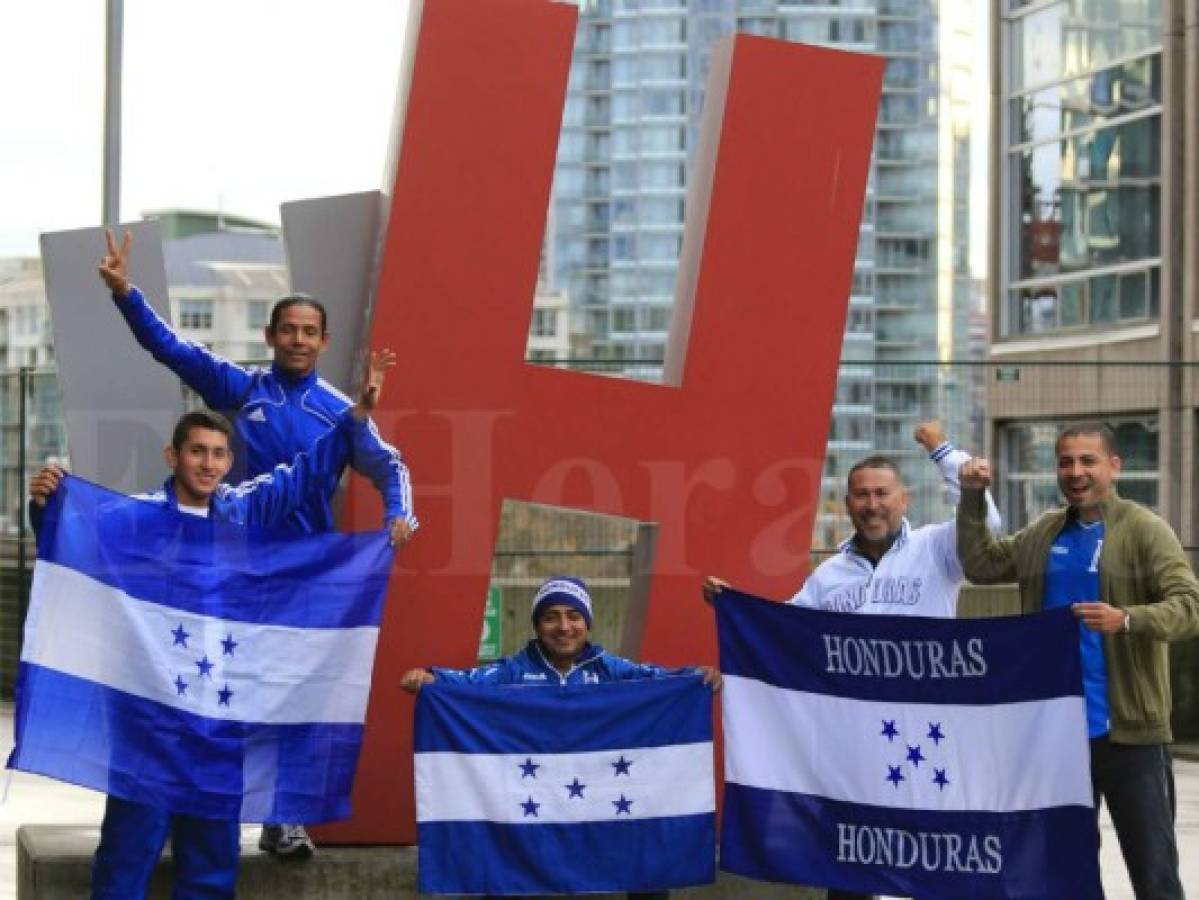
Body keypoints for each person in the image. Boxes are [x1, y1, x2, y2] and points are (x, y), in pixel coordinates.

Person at [29, 352, 396, 900]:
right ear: (172, 455)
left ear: (230, 462)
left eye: (219, 454)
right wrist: (43, 508)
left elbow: (309, 470)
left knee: (212, 855)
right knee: (129, 849)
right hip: (148, 709)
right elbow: (76, 540)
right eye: (197, 451)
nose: (208, 463)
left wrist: (356, 417)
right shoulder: (136, 517)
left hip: (221, 712)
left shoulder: (244, 510)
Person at [99, 228, 414, 856]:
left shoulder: (341, 411)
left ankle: (283, 818)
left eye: (309, 331)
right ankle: (182, 809)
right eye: (287, 330)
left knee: (293, 690)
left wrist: (400, 517)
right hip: (229, 563)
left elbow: (389, 466)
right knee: (207, 683)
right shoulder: (242, 390)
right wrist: (127, 295)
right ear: (270, 337)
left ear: (324, 341)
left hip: (305, 574)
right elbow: (172, 349)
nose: (297, 340)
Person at [702, 422, 999, 900]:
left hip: (925, 736)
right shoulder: (829, 576)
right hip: (856, 745)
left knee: (930, 856)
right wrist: (738, 610)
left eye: (882, 493)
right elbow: (785, 634)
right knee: (851, 862)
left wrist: (945, 453)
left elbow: (988, 529)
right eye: (861, 496)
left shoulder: (936, 550)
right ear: (847, 506)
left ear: (904, 499)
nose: (872, 504)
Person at [957, 422, 1199, 899]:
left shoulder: (1144, 529)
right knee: (1067, 875)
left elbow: (1190, 606)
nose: (1076, 472)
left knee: (1155, 878)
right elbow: (981, 565)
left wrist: (1127, 618)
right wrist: (970, 498)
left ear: (1114, 466)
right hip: (1056, 737)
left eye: (1088, 460)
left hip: (1130, 735)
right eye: (1065, 461)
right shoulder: (1045, 532)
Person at [402, 576, 720, 900]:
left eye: (574, 616)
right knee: (499, 864)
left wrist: (695, 679)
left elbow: (659, 680)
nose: (564, 626)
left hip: (602, 797)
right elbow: (467, 682)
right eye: (551, 616)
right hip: (534, 799)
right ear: (537, 625)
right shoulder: (515, 670)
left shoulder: (609, 668)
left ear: (587, 623)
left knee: (649, 861)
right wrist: (431, 679)